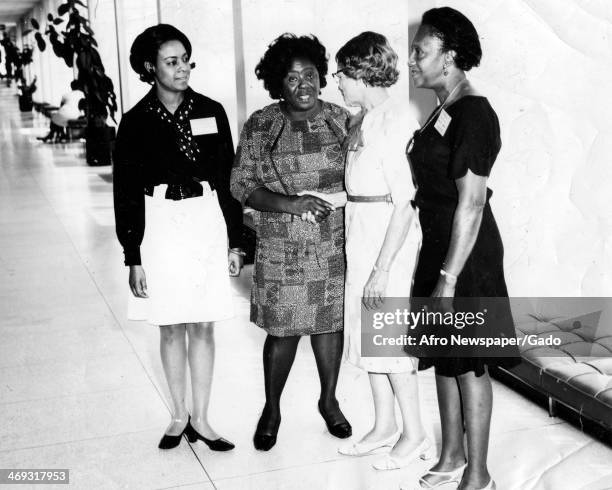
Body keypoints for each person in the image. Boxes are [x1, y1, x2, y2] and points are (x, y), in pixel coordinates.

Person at [113, 24, 244, 451]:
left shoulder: (211, 109)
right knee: (170, 325)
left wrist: (236, 241)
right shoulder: (134, 123)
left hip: (206, 217)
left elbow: (228, 179)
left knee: (203, 323)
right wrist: (133, 254)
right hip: (161, 223)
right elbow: (126, 192)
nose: (182, 68)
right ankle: (178, 414)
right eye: (172, 62)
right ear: (151, 68)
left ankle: (202, 419)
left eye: (186, 59)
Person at [405, 7, 520, 490]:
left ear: (449, 57)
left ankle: (479, 472)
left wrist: (448, 279)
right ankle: (451, 454)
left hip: (466, 255)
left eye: (421, 50)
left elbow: (471, 204)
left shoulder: (474, 112)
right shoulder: (443, 106)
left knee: (469, 361)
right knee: (444, 352)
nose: (413, 60)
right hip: (439, 243)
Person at [312, 31, 430, 470]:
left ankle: (415, 434)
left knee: (390, 342)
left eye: (341, 74)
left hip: (388, 245)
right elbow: (364, 191)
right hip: (363, 234)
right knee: (369, 340)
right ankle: (383, 426)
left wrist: (382, 270)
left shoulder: (398, 119)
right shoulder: (365, 119)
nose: (337, 83)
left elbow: (404, 200)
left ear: (362, 73)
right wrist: (327, 199)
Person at [230, 33, 352, 451]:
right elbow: (241, 183)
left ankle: (329, 401)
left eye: (310, 74)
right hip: (283, 243)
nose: (303, 84)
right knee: (283, 330)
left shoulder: (342, 119)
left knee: (329, 323)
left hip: (334, 241)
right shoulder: (263, 124)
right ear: (276, 83)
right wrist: (289, 202)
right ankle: (272, 408)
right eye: (292, 77)